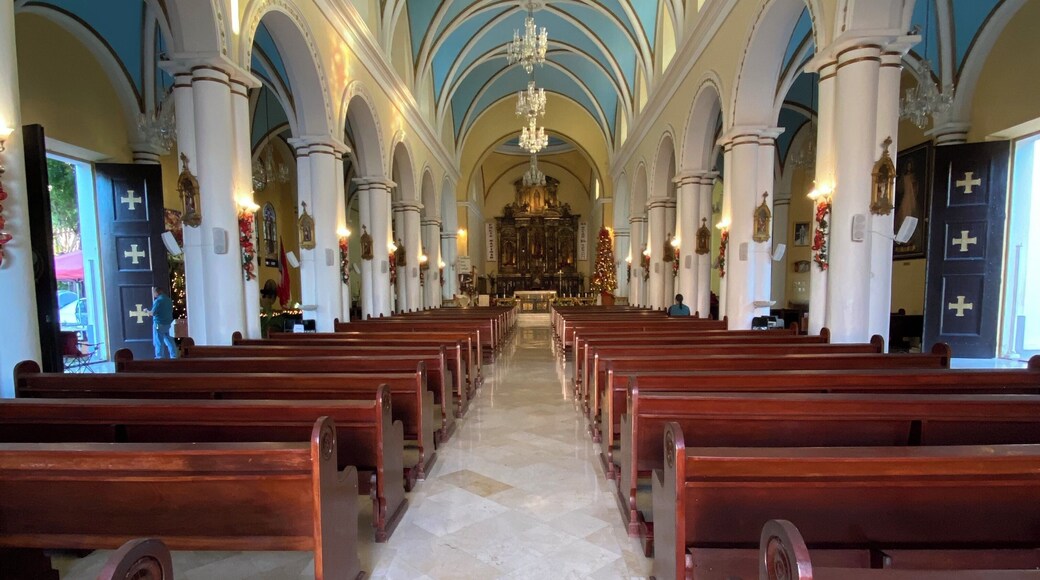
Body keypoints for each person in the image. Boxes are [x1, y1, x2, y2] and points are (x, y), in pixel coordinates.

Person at [149, 286, 178, 359]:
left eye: (154, 293)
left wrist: (147, 311)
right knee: (170, 341)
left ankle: (159, 357)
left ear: (156, 292)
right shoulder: (168, 300)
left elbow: (153, 313)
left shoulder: (158, 301)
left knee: (158, 341)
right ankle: (174, 356)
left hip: (158, 324)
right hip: (168, 324)